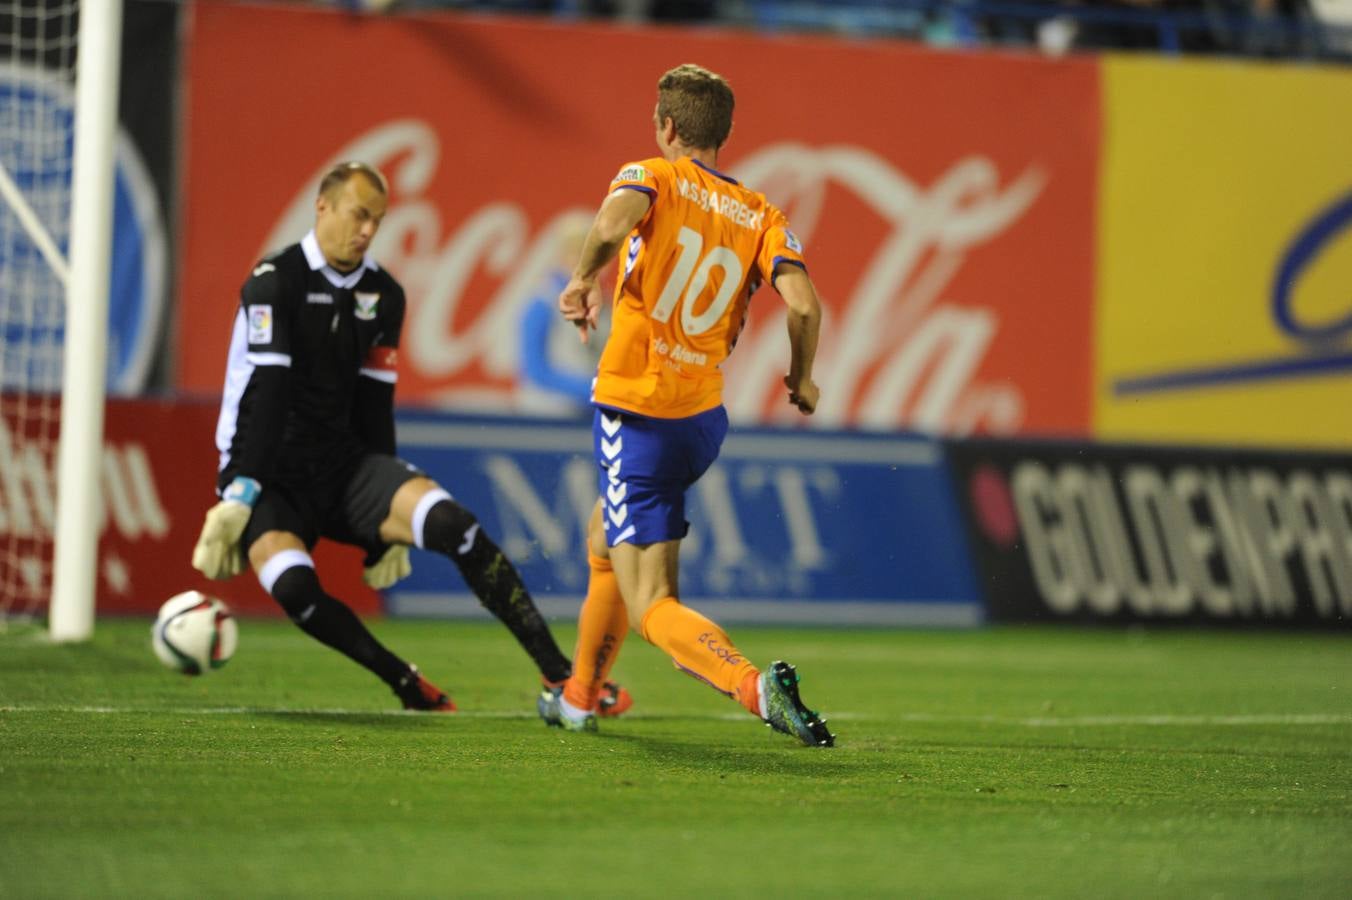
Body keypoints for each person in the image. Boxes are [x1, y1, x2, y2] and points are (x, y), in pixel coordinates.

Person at [190, 161, 631, 715]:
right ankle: (403, 681)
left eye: (377, 219)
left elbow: (374, 406)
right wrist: (241, 492)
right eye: (359, 215)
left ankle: (563, 678)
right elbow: (270, 391)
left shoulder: (383, 293)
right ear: (321, 207)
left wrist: (383, 530)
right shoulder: (274, 282)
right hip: (268, 473)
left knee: (457, 527)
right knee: (296, 591)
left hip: (343, 464)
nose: (369, 230)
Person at [538, 64, 834, 747]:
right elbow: (804, 305)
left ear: (668, 128)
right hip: (700, 420)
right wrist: (802, 379)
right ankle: (581, 696)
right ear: (723, 134)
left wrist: (584, 279)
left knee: (652, 604)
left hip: (639, 412)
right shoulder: (762, 213)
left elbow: (613, 223)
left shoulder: (653, 175)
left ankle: (754, 687)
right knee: (602, 539)